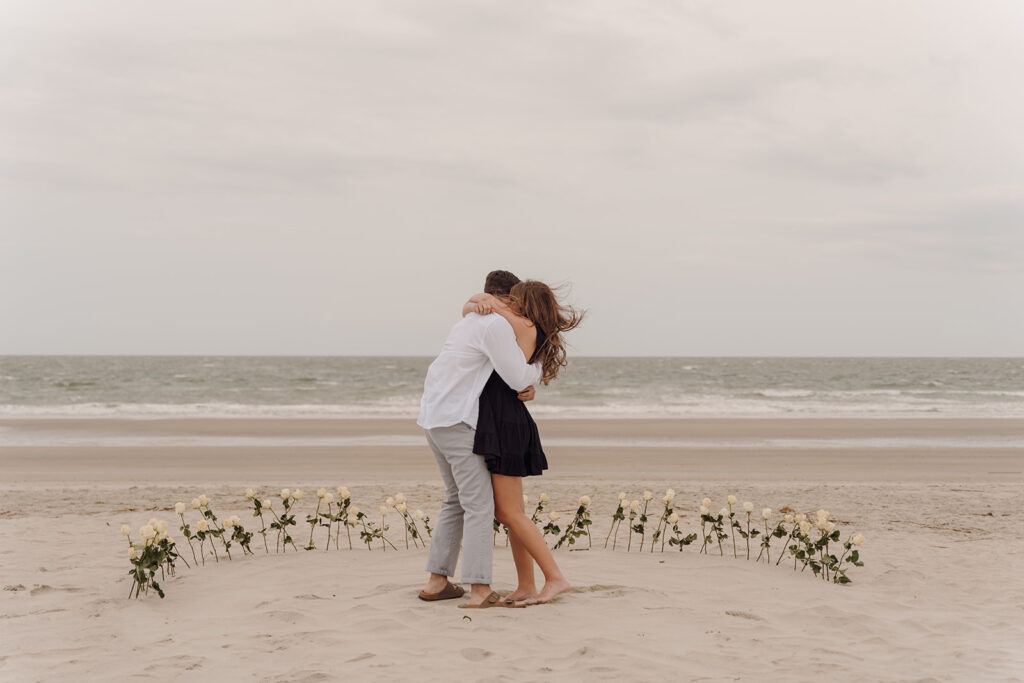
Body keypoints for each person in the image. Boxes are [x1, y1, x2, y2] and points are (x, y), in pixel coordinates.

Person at [416, 270, 543, 608]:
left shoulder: (467, 321)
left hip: (433, 418)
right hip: (458, 420)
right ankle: (480, 589)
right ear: (510, 297)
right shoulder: (495, 325)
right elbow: (517, 377)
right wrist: (538, 372)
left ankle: (437, 582)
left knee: (455, 500)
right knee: (479, 505)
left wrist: (473, 301)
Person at [462, 278, 584, 606]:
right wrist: (477, 301)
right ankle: (527, 585)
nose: (508, 304)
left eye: (513, 300)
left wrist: (478, 300)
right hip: (507, 418)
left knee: (509, 512)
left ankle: (555, 578)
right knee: (513, 512)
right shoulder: (530, 328)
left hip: (504, 422)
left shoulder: (520, 323)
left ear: (524, 304)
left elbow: (482, 309)